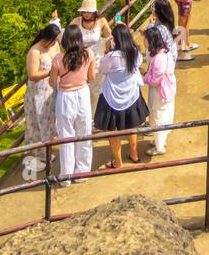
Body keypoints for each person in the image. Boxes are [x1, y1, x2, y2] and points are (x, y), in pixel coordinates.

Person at [95, 21, 149, 169]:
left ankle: (117, 162)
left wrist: (106, 51)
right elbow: (138, 64)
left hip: (112, 96)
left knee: (113, 131)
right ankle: (134, 153)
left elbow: (102, 69)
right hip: (131, 94)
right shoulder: (135, 51)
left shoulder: (112, 56)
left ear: (116, 39)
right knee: (130, 125)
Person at [48, 22, 97, 184]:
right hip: (82, 94)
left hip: (65, 97)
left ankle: (66, 175)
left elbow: (52, 82)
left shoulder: (58, 59)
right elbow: (91, 78)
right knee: (84, 133)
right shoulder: (88, 54)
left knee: (66, 136)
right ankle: (82, 172)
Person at [23, 24, 60, 178]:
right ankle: (40, 156)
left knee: (50, 123)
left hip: (52, 90)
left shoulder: (55, 45)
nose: (51, 44)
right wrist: (50, 72)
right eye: (50, 41)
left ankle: (47, 152)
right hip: (38, 92)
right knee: (38, 125)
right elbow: (32, 75)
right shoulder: (34, 51)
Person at [70, 0, 112, 109]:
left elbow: (110, 37)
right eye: (84, 11)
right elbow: (68, 37)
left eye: (89, 11)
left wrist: (107, 50)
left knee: (95, 91)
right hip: (80, 61)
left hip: (97, 60)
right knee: (80, 89)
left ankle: (92, 118)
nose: (86, 14)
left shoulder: (101, 22)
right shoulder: (76, 21)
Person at [142, 25, 176, 155]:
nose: (144, 41)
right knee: (161, 116)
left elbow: (155, 80)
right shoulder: (163, 53)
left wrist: (145, 76)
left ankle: (159, 146)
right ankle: (159, 141)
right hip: (165, 90)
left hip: (159, 92)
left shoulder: (159, 58)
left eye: (145, 39)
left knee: (158, 116)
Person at [138, 0, 178, 65]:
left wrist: (150, 25)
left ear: (158, 11)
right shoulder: (167, 21)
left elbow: (150, 41)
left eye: (153, 7)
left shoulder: (161, 28)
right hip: (168, 54)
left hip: (164, 60)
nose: (151, 9)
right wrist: (146, 31)